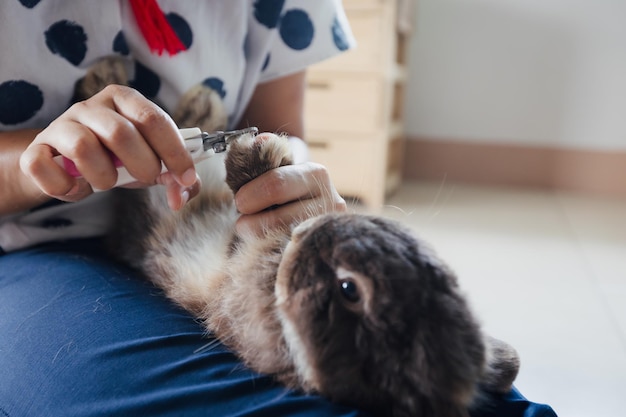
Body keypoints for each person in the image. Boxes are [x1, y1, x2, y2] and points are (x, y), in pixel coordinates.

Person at [0, 1, 556, 416]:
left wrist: (287, 183)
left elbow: (279, 128)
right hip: (32, 244)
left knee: (483, 398)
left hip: (225, 227)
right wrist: (38, 161)